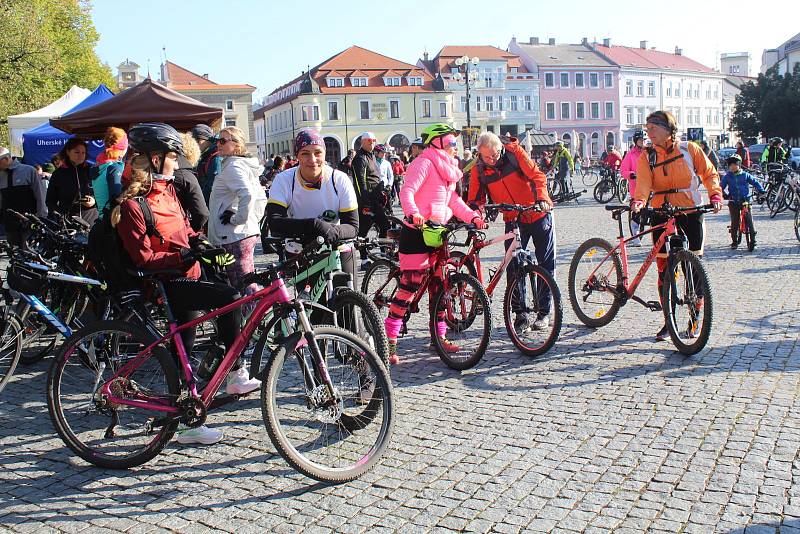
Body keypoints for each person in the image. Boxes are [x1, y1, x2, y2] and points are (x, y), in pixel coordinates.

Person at [113, 122, 257, 445]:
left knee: (185, 355)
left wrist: (204, 247)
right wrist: (186, 257)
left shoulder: (168, 191)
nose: (178, 163)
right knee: (230, 297)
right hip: (167, 284)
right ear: (154, 160)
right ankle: (235, 372)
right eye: (173, 157)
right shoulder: (132, 207)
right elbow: (144, 260)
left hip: (186, 274)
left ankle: (188, 424)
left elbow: (186, 231)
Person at [387, 124, 486, 364]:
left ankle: (439, 338)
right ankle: (389, 339)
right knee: (410, 285)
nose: (455, 147)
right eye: (451, 143)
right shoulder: (423, 163)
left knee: (441, 288)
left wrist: (472, 216)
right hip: (417, 231)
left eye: (455, 144)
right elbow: (407, 191)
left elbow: (452, 200)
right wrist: (412, 213)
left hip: (437, 233)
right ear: (437, 142)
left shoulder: (447, 168)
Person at [632, 110, 723, 341]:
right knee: (664, 270)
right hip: (662, 213)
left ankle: (694, 321)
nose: (648, 133)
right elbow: (643, 182)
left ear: (666, 128)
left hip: (691, 211)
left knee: (694, 269)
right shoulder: (648, 156)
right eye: (647, 128)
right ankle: (668, 321)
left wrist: (715, 195)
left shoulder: (690, 150)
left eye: (653, 128)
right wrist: (640, 201)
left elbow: (709, 173)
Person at [467, 132, 554, 331]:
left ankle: (544, 312)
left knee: (546, 264)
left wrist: (542, 200)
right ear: (480, 154)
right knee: (514, 267)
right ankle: (520, 314)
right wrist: (476, 215)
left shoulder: (515, 154)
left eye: (495, 155)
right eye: (487, 156)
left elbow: (538, 176)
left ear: (501, 148)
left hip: (537, 212)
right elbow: (475, 199)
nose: (492, 160)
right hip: (512, 218)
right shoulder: (479, 168)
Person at [267, 129, 359, 282]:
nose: (312, 159)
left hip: (336, 244)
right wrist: (313, 225)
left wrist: (331, 231)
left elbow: (353, 226)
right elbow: (275, 222)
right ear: (297, 156)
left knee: (346, 301)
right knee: (309, 304)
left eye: (318, 153)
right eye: (305, 153)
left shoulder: (339, 179)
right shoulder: (284, 180)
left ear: (324, 154)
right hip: (300, 247)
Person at [208, 126, 267, 297]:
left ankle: (252, 322)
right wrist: (249, 220)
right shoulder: (239, 164)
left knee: (243, 287)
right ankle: (253, 320)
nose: (218, 144)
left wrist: (238, 219)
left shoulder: (234, 166)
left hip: (235, 235)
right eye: (217, 140)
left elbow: (247, 194)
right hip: (240, 234)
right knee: (246, 283)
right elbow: (260, 198)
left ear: (237, 144)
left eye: (223, 141)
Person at [352, 132, 389, 269]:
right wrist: (365, 203)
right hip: (366, 202)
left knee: (384, 225)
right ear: (362, 142)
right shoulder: (360, 158)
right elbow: (359, 182)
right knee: (363, 232)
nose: (372, 143)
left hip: (376, 200)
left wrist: (382, 191)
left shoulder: (372, 156)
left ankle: (382, 252)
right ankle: (363, 260)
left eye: (374, 140)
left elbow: (376, 177)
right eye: (369, 140)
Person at [0, 147, 47, 246]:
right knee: (15, 255)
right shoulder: (1, 175)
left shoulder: (28, 171)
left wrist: (41, 218)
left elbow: (40, 195)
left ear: (7, 158)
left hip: (29, 221)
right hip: (10, 223)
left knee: (30, 253)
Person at [46, 138, 99, 225]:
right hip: (68, 222)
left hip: (91, 220)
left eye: (83, 153)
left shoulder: (92, 170)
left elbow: (103, 194)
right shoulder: (58, 174)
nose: (81, 155)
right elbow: (50, 201)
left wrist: (94, 201)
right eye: (77, 152)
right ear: (68, 152)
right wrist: (60, 214)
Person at [721, 154, 766, 249]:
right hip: (733, 201)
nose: (733, 167)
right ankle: (734, 240)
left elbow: (755, 182)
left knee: (750, 218)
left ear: (739, 165)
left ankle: (753, 238)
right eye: (731, 165)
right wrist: (723, 194)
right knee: (735, 221)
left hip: (745, 200)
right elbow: (720, 186)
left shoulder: (745, 175)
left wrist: (761, 190)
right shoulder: (727, 177)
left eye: (735, 164)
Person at [174, 133, 209, 232]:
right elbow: (202, 213)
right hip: (178, 230)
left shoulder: (161, 170)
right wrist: (191, 232)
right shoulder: (186, 176)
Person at [91, 127, 127, 217]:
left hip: (102, 219)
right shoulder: (115, 167)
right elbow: (117, 199)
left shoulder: (100, 165)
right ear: (124, 147)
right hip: (112, 223)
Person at [619, 131, 646, 246]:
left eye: (644, 140)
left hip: (650, 187)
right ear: (636, 141)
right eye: (641, 140)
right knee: (636, 212)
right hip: (637, 188)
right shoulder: (630, 155)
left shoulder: (649, 153)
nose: (643, 142)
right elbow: (623, 170)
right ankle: (635, 236)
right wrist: (631, 174)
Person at [192, 124, 222, 204]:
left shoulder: (216, 157)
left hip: (211, 204)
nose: (196, 144)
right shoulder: (207, 155)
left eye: (198, 141)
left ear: (206, 139)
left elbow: (213, 186)